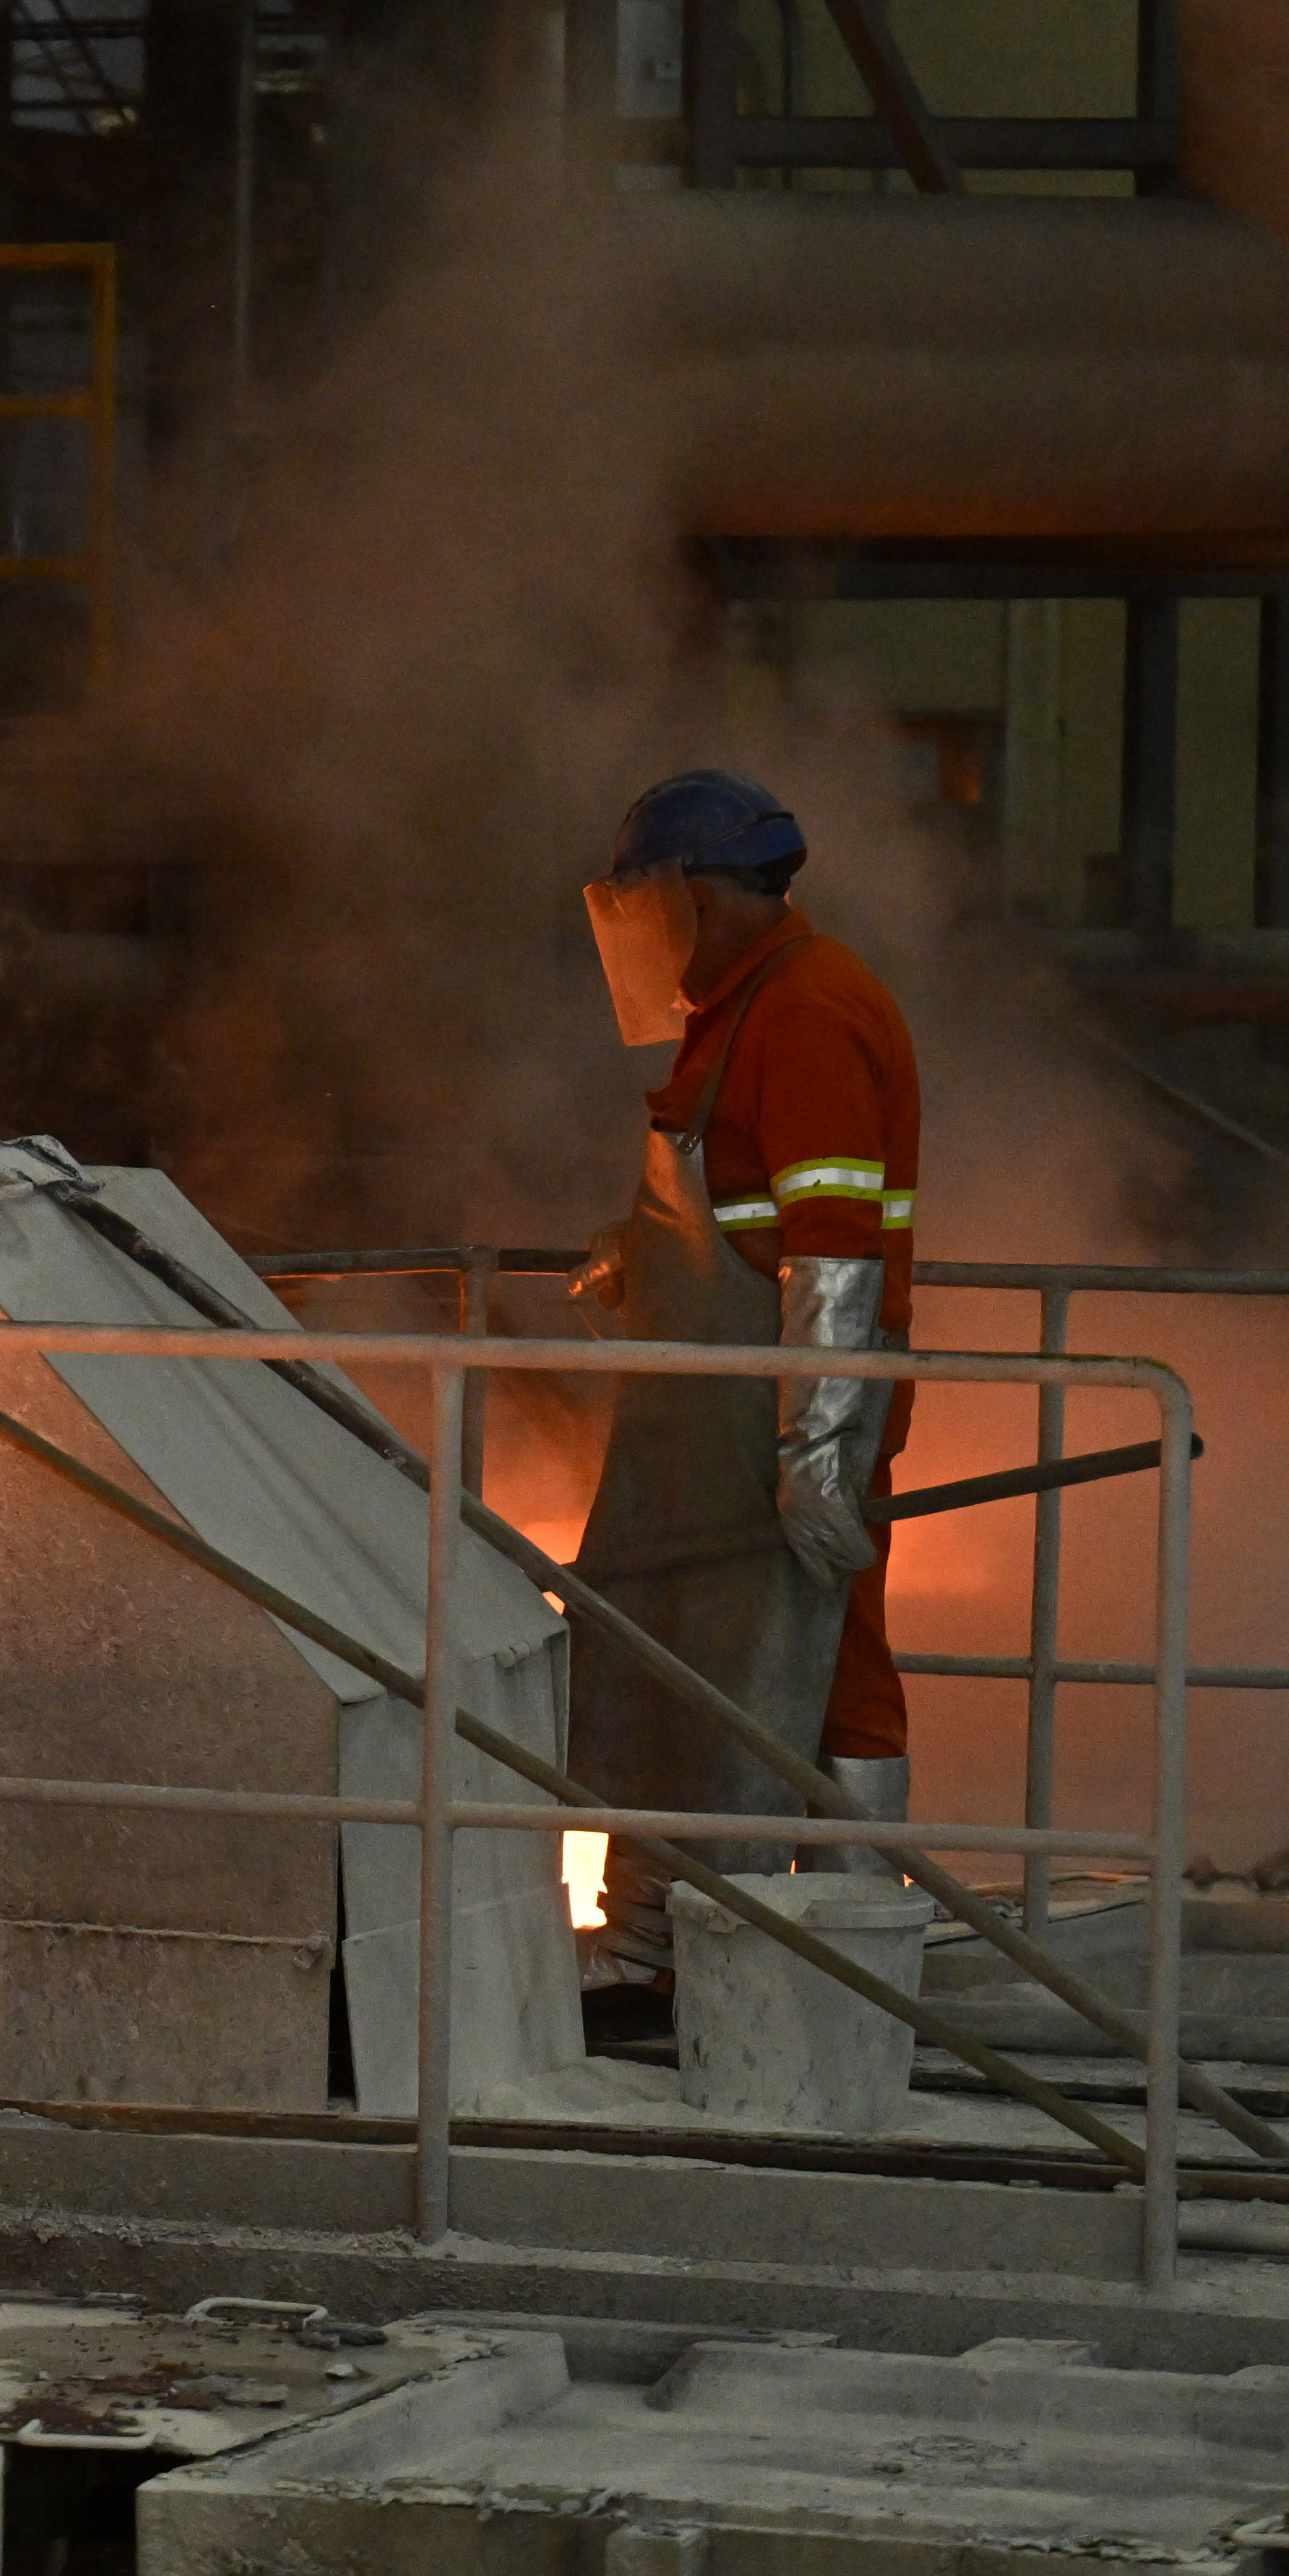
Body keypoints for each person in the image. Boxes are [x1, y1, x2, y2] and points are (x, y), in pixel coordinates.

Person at [569, 770, 920, 1978]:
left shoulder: (808, 1011)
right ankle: (704, 1935)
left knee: (812, 1659)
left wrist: (818, 1453)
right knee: (715, 1648)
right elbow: (750, 1203)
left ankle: (845, 1947)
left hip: (780, 1402)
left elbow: (834, 1246)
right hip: (729, 1396)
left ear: (695, 898)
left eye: (642, 902)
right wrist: (641, 1253)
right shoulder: (747, 1001)